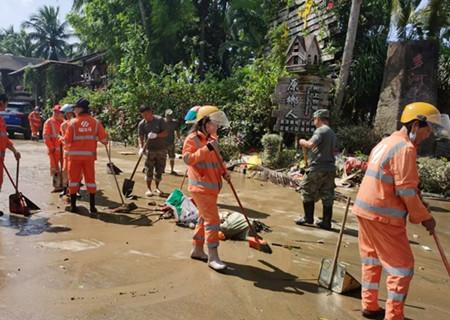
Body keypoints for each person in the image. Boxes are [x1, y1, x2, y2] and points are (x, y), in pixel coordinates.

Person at [353, 102, 449, 320]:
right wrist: (425, 218)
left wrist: (418, 199)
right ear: (416, 125)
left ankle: (369, 305)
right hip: (383, 215)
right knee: (402, 267)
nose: (429, 135)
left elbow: (400, 185)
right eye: (428, 129)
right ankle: (394, 316)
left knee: (372, 259)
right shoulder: (405, 149)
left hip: (365, 211)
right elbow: (405, 191)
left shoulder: (386, 143)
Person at [182, 105, 231, 271]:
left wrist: (224, 172)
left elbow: (218, 159)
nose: (216, 126)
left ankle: (197, 249)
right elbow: (188, 159)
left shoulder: (212, 139)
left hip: (211, 187)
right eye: (213, 123)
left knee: (204, 219)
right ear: (204, 123)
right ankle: (213, 257)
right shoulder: (192, 139)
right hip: (200, 188)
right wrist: (205, 148)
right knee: (213, 221)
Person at [64, 98, 108, 214]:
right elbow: (104, 140)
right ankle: (92, 207)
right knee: (90, 181)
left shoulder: (72, 123)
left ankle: (73, 206)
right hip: (89, 158)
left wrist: (61, 138)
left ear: (80, 109)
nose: (74, 110)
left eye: (75, 108)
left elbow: (67, 141)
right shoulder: (96, 122)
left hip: (74, 158)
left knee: (73, 181)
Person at [295, 109, 336, 230]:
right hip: (330, 168)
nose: (314, 122)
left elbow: (310, 144)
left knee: (306, 190)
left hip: (318, 168)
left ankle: (308, 218)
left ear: (318, 119)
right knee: (327, 194)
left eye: (314, 119)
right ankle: (326, 222)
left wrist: (302, 141)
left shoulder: (321, 131)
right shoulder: (331, 132)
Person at [138, 105, 168, 197]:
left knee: (159, 170)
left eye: (147, 114)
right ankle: (148, 188)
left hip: (161, 149)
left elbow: (166, 133)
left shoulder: (160, 120)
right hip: (149, 150)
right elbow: (140, 137)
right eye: (144, 115)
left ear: (151, 112)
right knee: (148, 170)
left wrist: (156, 135)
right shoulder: (142, 124)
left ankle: (157, 187)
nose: (146, 116)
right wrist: (141, 147)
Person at [0, 94, 21, 215]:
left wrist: (14, 151)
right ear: (2, 102)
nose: (6, 106)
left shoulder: (1, 121)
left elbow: (5, 139)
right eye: (6, 103)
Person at [43, 104, 64, 192]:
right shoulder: (49, 122)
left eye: (59, 112)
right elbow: (46, 136)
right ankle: (57, 186)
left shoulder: (64, 122)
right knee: (55, 168)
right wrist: (51, 147)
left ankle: (64, 185)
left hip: (63, 150)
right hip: (54, 150)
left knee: (65, 168)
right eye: (56, 112)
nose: (58, 114)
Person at [59, 104, 76, 197]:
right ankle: (65, 189)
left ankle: (75, 190)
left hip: (75, 151)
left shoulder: (76, 123)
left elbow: (65, 138)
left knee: (76, 171)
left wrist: (60, 138)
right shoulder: (63, 125)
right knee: (65, 170)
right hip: (67, 151)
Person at [164, 108, 181, 175]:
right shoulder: (162, 122)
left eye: (170, 116)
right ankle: (162, 169)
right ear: (165, 116)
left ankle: (172, 170)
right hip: (163, 142)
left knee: (172, 157)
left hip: (171, 142)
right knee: (163, 157)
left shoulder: (175, 123)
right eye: (168, 116)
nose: (169, 117)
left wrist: (179, 139)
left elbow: (177, 131)